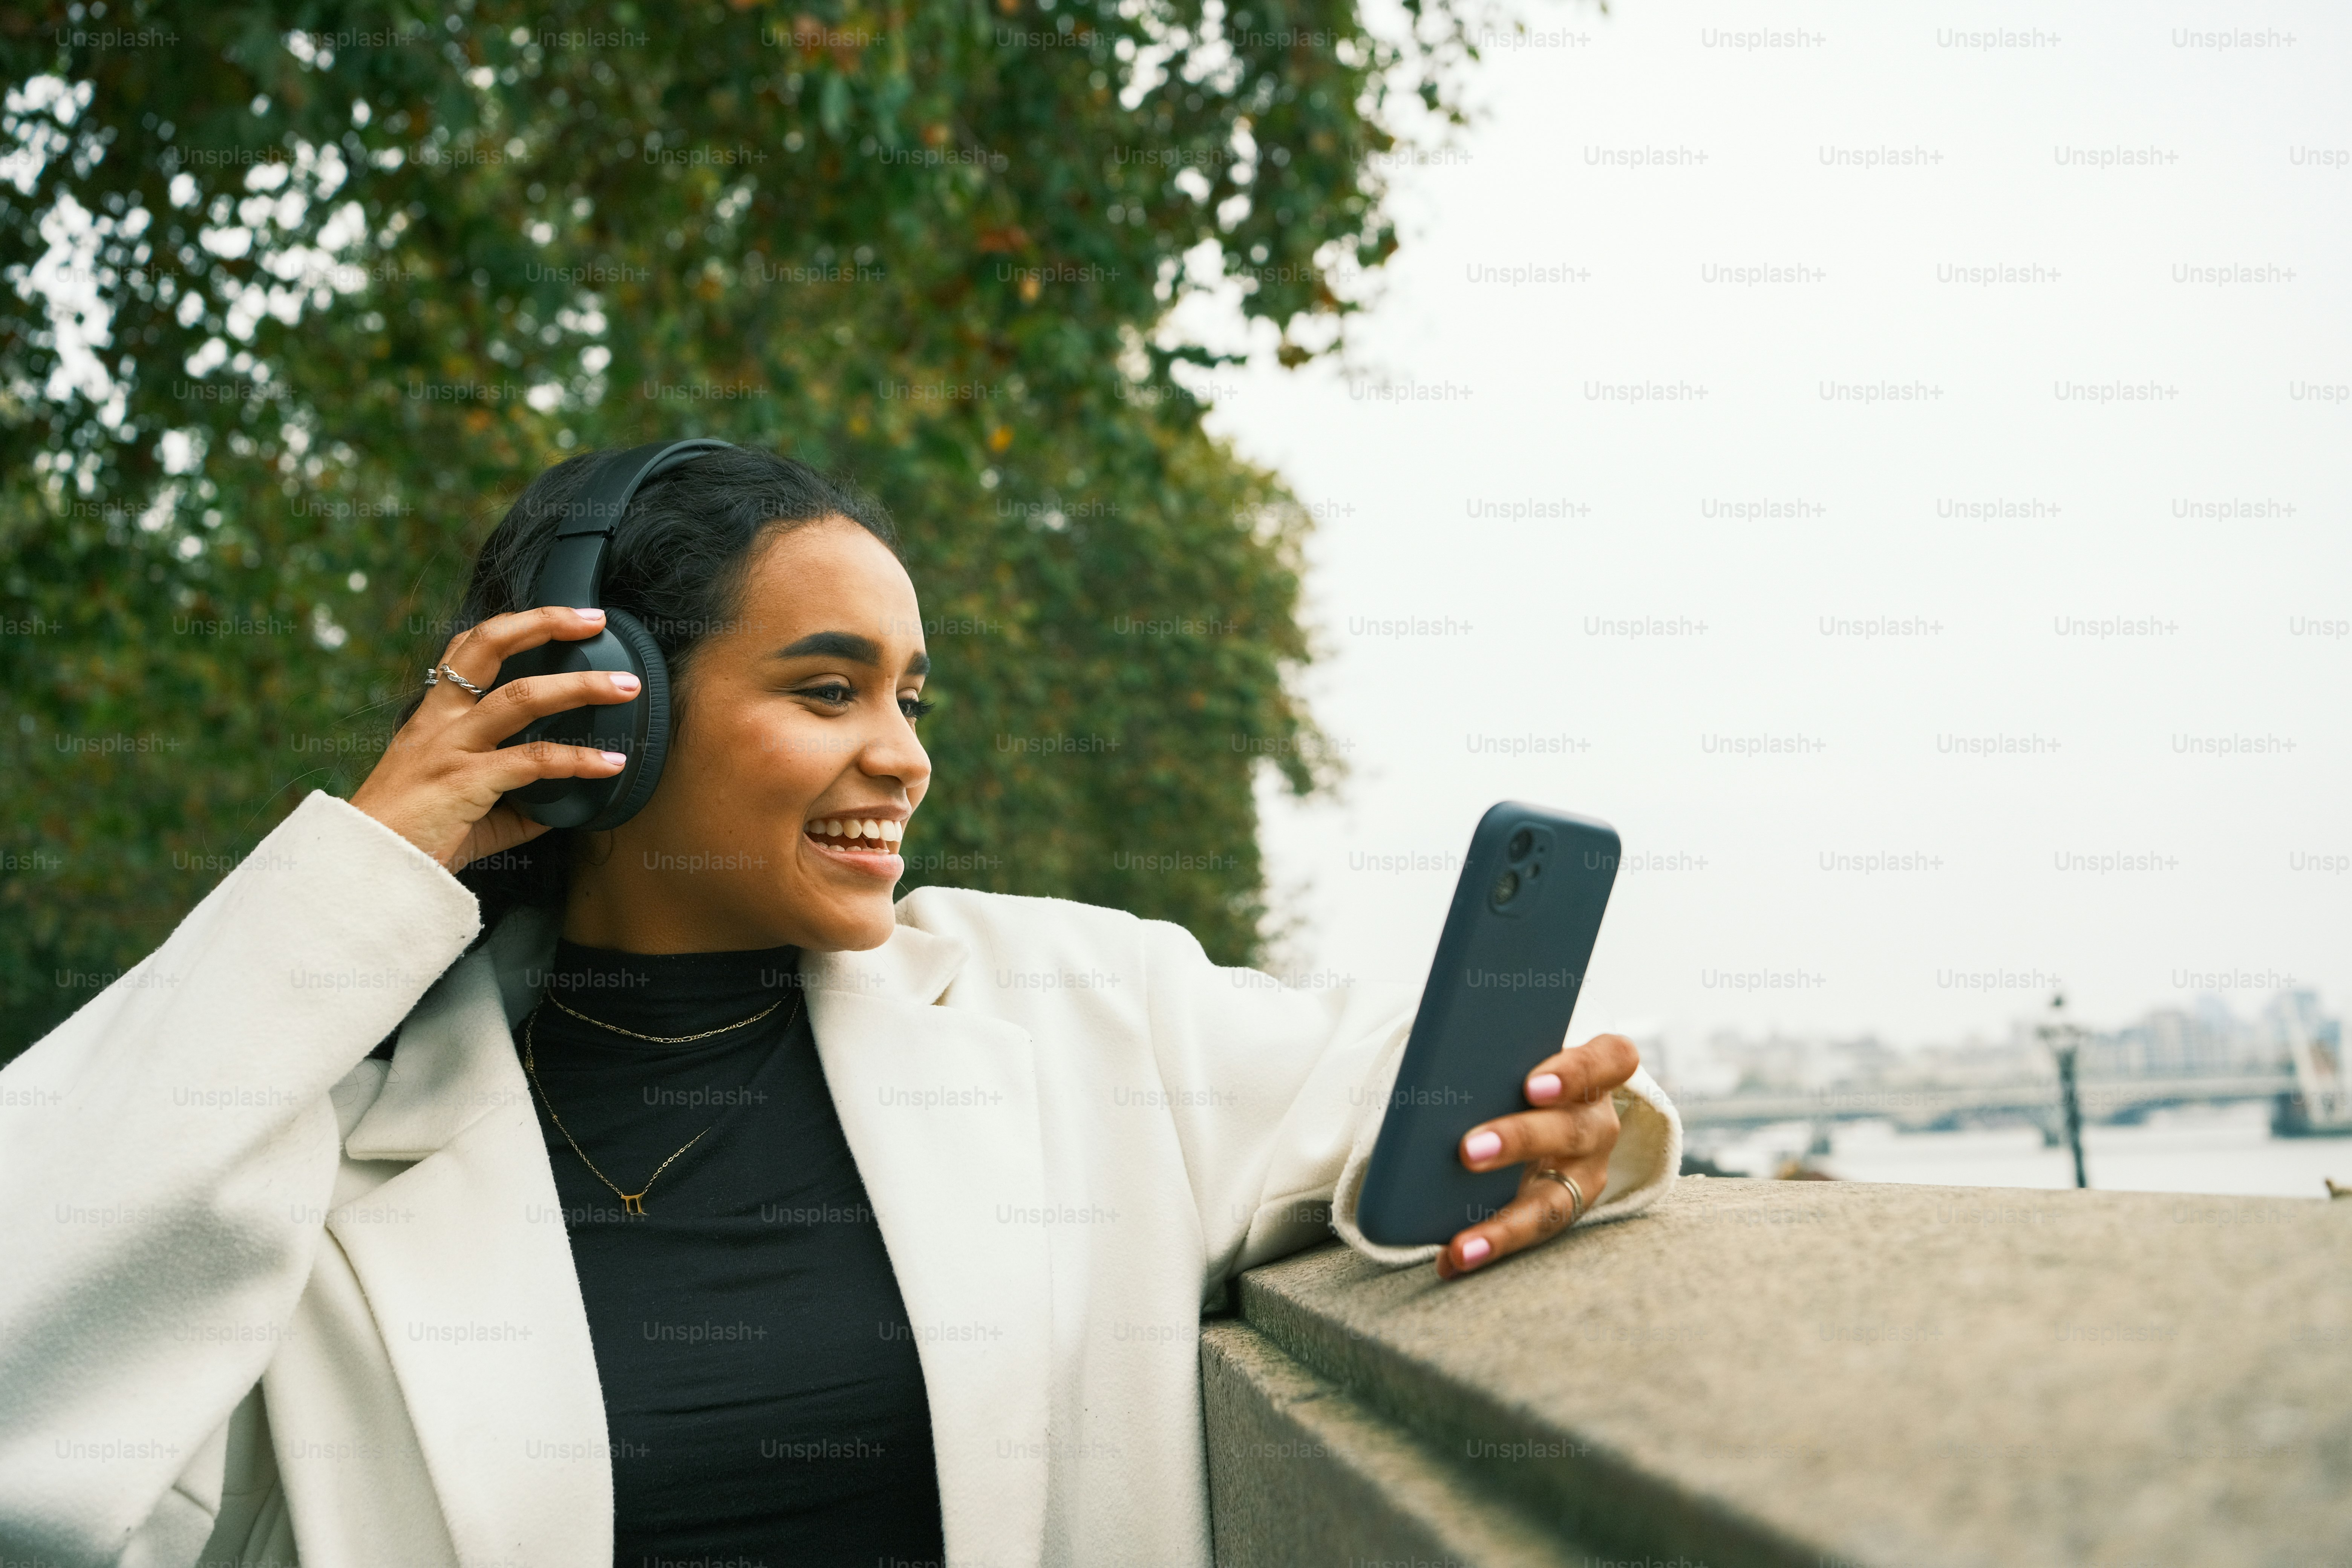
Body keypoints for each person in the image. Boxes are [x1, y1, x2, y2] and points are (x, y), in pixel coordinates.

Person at [0, 446, 1681, 1568]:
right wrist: (360, 874)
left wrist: (1572, 1126)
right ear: (610, 712)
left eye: (910, 692)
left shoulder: (1078, 1011)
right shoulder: (328, 1143)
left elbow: (1429, 1096)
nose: (906, 750)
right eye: (828, 688)